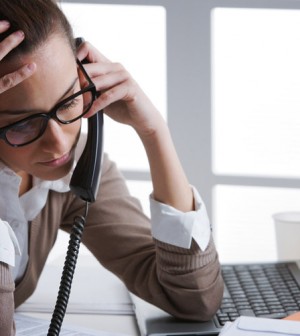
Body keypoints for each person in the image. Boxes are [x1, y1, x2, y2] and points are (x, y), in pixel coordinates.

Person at [0, 0, 223, 334]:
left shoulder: (72, 165)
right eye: (22, 125)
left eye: (69, 101)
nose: (59, 144)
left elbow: (194, 299)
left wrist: (153, 131)